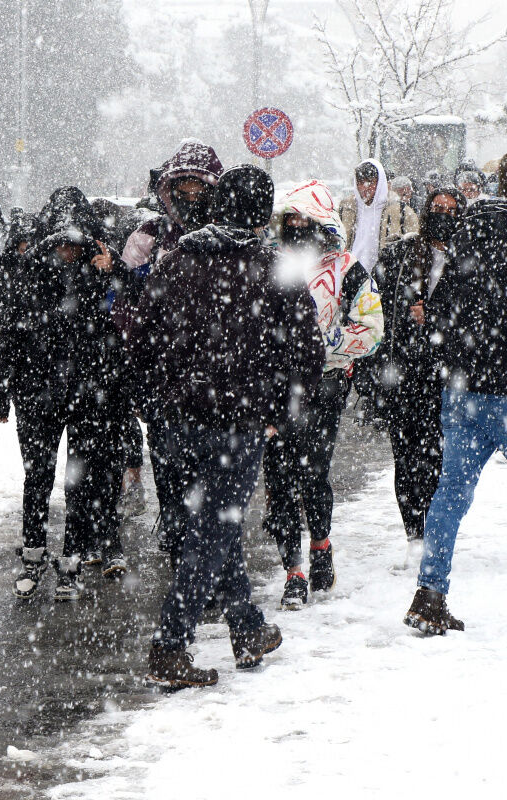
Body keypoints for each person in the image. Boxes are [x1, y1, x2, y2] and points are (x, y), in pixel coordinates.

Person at [131, 165, 324, 688]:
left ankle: (246, 627)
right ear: (262, 213)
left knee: (217, 523)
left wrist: (155, 403)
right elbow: (307, 352)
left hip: (176, 422)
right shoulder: (273, 266)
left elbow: (139, 339)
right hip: (235, 423)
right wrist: (282, 415)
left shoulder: (175, 262)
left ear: (217, 207)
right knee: (214, 532)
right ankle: (171, 645)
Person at [405, 147, 507, 635]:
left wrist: (462, 355)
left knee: (450, 492)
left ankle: (430, 593)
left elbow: (440, 310)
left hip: (466, 390)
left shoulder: (468, 233)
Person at [0, 187, 130, 600]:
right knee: (38, 476)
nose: (68, 250)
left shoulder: (102, 271)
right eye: (61, 242)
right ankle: (33, 555)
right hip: (37, 392)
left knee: (79, 482)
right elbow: (6, 333)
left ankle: (71, 561)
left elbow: (130, 320)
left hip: (89, 393)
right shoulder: (28, 271)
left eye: (75, 242)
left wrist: (114, 272)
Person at [264, 181, 384, 608]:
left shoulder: (348, 269)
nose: (296, 226)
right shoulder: (270, 264)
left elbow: (371, 329)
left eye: (304, 219)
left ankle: (320, 546)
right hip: (275, 389)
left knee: (313, 472)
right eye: (290, 219)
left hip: (325, 386)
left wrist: (321, 349)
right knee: (278, 479)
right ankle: (292, 569)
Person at [116, 140, 223, 565]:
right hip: (163, 373)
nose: (191, 197)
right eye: (184, 188)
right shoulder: (147, 238)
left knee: (212, 466)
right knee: (167, 457)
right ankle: (178, 531)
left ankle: (205, 540)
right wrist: (139, 362)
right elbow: (123, 306)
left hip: (218, 374)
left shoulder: (230, 238)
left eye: (200, 189)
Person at [372, 187, 467, 544]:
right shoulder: (401, 253)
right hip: (405, 369)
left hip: (445, 373)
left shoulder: (465, 257)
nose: (443, 214)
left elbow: (475, 313)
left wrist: (437, 317)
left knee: (439, 454)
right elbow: (379, 307)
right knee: (405, 453)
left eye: (451, 209)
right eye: (437, 208)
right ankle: (413, 529)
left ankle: (436, 525)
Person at [340, 159, 418, 272]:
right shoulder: (346, 209)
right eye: (360, 182)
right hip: (349, 276)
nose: (364, 187)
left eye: (370, 182)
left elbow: (414, 246)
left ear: (380, 182)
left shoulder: (401, 212)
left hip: (385, 277)